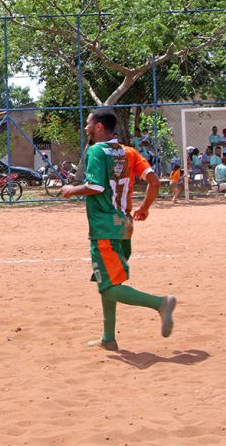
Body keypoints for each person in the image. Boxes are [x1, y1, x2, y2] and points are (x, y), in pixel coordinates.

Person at [59, 108, 175, 351]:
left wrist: (73, 189)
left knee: (109, 286)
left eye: (89, 123)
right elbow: (154, 181)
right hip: (125, 227)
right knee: (109, 281)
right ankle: (108, 339)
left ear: (99, 126)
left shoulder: (96, 150)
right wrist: (145, 208)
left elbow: (96, 187)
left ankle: (160, 303)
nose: (86, 127)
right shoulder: (129, 152)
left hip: (104, 228)